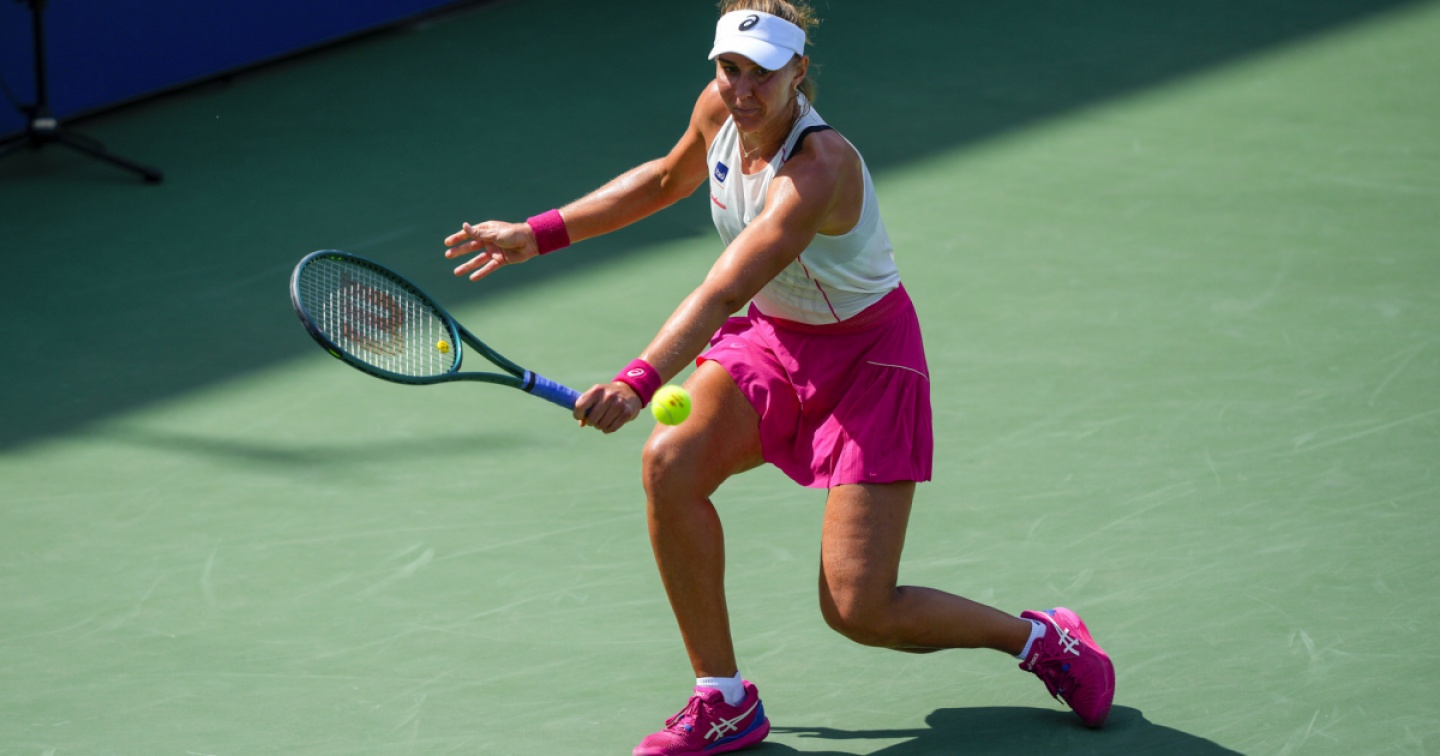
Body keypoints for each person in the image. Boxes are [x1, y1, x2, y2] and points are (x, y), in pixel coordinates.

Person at [443, 2, 1115, 754]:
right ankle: (723, 699)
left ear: (799, 72)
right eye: (729, 69)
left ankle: (1040, 641)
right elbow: (665, 178)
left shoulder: (819, 168)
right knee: (670, 462)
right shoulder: (719, 110)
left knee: (860, 609)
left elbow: (724, 288)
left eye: (761, 74)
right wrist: (537, 234)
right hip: (773, 342)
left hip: (868, 363)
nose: (741, 90)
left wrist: (637, 380)